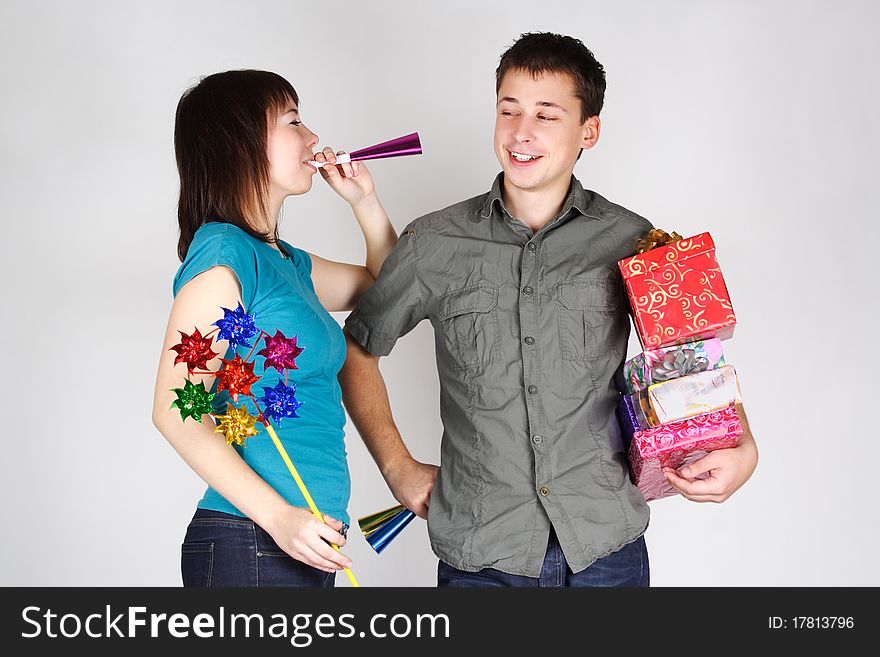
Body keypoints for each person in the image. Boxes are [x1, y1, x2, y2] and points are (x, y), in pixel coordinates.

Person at [340, 33, 758, 587]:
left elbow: (692, 357)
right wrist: (397, 466)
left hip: (605, 550)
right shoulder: (433, 242)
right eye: (508, 110)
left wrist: (743, 446)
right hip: (481, 554)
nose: (521, 132)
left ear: (590, 130)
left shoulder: (635, 238)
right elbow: (358, 347)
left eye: (546, 114)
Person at [151, 70, 397, 587]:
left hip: (298, 540)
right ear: (240, 145)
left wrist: (364, 202)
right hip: (254, 539)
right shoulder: (224, 259)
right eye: (294, 122)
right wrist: (279, 518)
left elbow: (383, 286)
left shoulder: (285, 262)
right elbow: (177, 409)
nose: (314, 139)